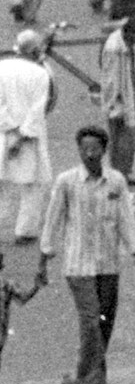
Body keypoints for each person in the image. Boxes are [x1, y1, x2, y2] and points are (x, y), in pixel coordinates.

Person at [38, 124, 135, 384]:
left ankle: (87, 373)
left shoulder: (116, 182)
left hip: (108, 265)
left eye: (94, 149)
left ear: (104, 150)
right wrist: (43, 259)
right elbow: (53, 221)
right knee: (90, 320)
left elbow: (126, 220)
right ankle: (91, 380)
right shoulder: (67, 182)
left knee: (104, 321)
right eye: (84, 149)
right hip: (78, 266)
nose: (89, 154)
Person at [0, 25, 52, 241]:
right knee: (33, 183)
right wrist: (21, 135)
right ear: (34, 51)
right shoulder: (41, 74)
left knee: (1, 182)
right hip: (28, 136)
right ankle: (26, 230)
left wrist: (8, 127)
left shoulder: (1, 67)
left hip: (3, 131)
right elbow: (37, 109)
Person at [99, 10, 135, 182]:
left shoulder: (128, 43)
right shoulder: (114, 48)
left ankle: (125, 171)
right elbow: (111, 80)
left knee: (131, 136)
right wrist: (115, 104)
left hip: (131, 90)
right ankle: (119, 175)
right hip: (120, 98)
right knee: (122, 139)